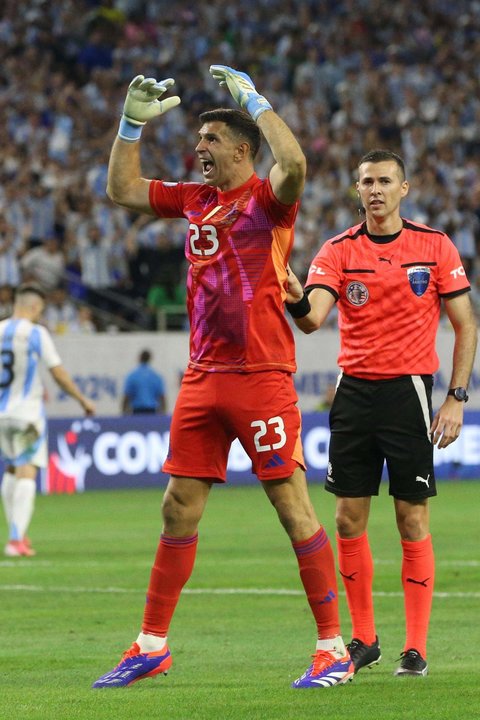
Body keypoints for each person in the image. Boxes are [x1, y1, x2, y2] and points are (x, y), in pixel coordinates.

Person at [92, 67, 353, 689]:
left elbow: (293, 162)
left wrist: (257, 102)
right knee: (177, 507)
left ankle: (333, 649)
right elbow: (121, 189)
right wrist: (129, 125)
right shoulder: (193, 200)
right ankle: (151, 644)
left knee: (291, 507)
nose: (197, 148)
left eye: (209, 139)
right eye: (198, 140)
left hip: (261, 374)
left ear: (241, 149)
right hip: (203, 377)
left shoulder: (268, 200)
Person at [286, 149, 478, 677]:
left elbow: (467, 324)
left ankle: (415, 647)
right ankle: (364, 638)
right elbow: (312, 319)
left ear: (404, 188)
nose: (375, 189)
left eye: (384, 181)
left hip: (409, 393)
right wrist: (293, 294)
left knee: (411, 516)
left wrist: (456, 398)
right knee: (348, 517)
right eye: (366, 181)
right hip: (353, 393)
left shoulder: (434, 246)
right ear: (356, 190)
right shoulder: (337, 249)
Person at [0, 283, 96, 557]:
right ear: (33, 307)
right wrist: (82, 399)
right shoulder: (35, 333)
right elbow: (58, 373)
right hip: (26, 415)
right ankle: (15, 539)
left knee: (11, 469)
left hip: (1, 415)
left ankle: (17, 533)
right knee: (27, 470)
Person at [121, 349, 166, 414]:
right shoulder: (156, 376)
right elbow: (162, 397)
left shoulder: (132, 375)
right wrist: (163, 413)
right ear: (149, 359)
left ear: (139, 358)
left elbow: (126, 396)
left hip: (137, 412)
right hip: (152, 412)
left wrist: (123, 412)